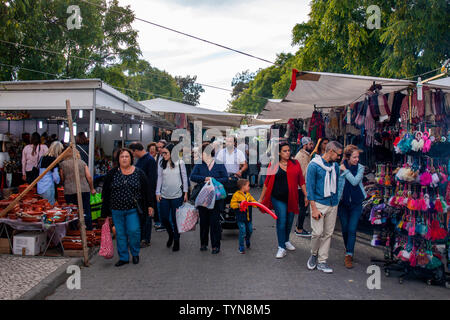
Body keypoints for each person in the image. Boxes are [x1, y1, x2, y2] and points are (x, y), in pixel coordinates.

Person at [101, 148, 154, 267]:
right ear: (118, 159)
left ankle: (135, 254)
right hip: (116, 210)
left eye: (127, 156)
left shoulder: (139, 173)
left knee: (134, 231)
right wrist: (105, 211)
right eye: (122, 157)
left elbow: (147, 191)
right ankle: (124, 257)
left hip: (133, 209)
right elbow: (106, 192)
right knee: (120, 234)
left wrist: (150, 205)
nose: (124, 159)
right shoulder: (112, 173)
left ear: (131, 158)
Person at [258, 141, 308, 259]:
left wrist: (306, 195)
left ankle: (286, 240)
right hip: (277, 197)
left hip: (292, 197)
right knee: (282, 220)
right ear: (279, 153)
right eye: (284, 151)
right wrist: (261, 198)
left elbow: (301, 181)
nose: (287, 153)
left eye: (288, 151)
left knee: (290, 220)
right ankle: (281, 247)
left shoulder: (295, 163)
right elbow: (267, 182)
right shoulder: (273, 164)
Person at [306, 141, 343, 273]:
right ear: (331, 151)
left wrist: (336, 201)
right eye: (338, 154)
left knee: (328, 234)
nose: (339, 157)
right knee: (317, 233)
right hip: (319, 204)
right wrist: (314, 208)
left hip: (333, 203)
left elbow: (337, 185)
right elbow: (310, 188)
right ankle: (314, 254)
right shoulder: (314, 166)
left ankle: (322, 261)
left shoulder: (335, 167)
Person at [190, 142, 228, 254]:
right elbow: (192, 176)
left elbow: (225, 178)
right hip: (203, 197)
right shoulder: (199, 164)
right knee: (204, 221)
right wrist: (205, 178)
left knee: (214, 222)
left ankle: (216, 246)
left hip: (216, 198)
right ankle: (203, 243)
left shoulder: (219, 164)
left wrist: (213, 180)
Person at [337, 144, 366, 269]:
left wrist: (345, 171)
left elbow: (355, 181)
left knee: (352, 229)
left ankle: (349, 254)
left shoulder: (360, 168)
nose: (357, 159)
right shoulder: (339, 167)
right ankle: (348, 247)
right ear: (348, 157)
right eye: (354, 157)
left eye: (357, 157)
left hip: (356, 203)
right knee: (344, 228)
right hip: (343, 203)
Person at [156, 144, 189, 252]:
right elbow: (159, 178)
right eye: (162, 153)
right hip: (164, 195)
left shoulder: (180, 162)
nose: (163, 155)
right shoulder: (161, 163)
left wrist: (185, 192)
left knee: (175, 220)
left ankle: (176, 240)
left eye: (165, 153)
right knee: (164, 218)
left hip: (177, 196)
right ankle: (170, 234)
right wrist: (157, 192)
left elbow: (184, 178)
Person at [59, 148, 96, 230]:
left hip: (69, 191)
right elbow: (89, 177)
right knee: (86, 210)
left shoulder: (63, 164)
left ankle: (74, 230)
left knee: (73, 212)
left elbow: (62, 178)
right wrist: (92, 188)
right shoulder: (82, 162)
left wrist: (64, 183)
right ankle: (88, 230)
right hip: (84, 189)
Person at [129, 142, 157, 248]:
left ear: (135, 151)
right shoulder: (140, 160)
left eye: (132, 153)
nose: (133, 155)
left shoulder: (150, 160)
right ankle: (140, 238)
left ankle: (145, 239)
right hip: (139, 193)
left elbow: (152, 179)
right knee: (140, 216)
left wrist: (150, 195)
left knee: (146, 216)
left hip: (146, 193)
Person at [230, 179, 258, 254]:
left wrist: (258, 204)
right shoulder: (236, 195)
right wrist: (238, 205)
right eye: (248, 185)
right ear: (243, 186)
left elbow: (254, 202)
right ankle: (241, 246)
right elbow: (232, 205)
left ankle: (247, 239)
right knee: (242, 231)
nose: (249, 187)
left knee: (250, 230)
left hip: (248, 218)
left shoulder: (248, 195)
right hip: (241, 218)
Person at [294, 136, 315, 237]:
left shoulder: (305, 155)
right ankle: (299, 229)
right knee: (303, 207)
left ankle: (299, 227)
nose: (312, 146)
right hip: (301, 186)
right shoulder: (302, 156)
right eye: (310, 144)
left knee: (303, 207)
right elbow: (303, 174)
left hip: (302, 186)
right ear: (305, 145)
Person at [154, 139, 168, 231]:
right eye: (158, 147)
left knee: (164, 206)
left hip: (166, 185)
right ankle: (162, 223)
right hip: (159, 184)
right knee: (159, 205)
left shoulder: (167, 157)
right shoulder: (158, 156)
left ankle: (165, 224)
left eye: (161, 147)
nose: (159, 149)